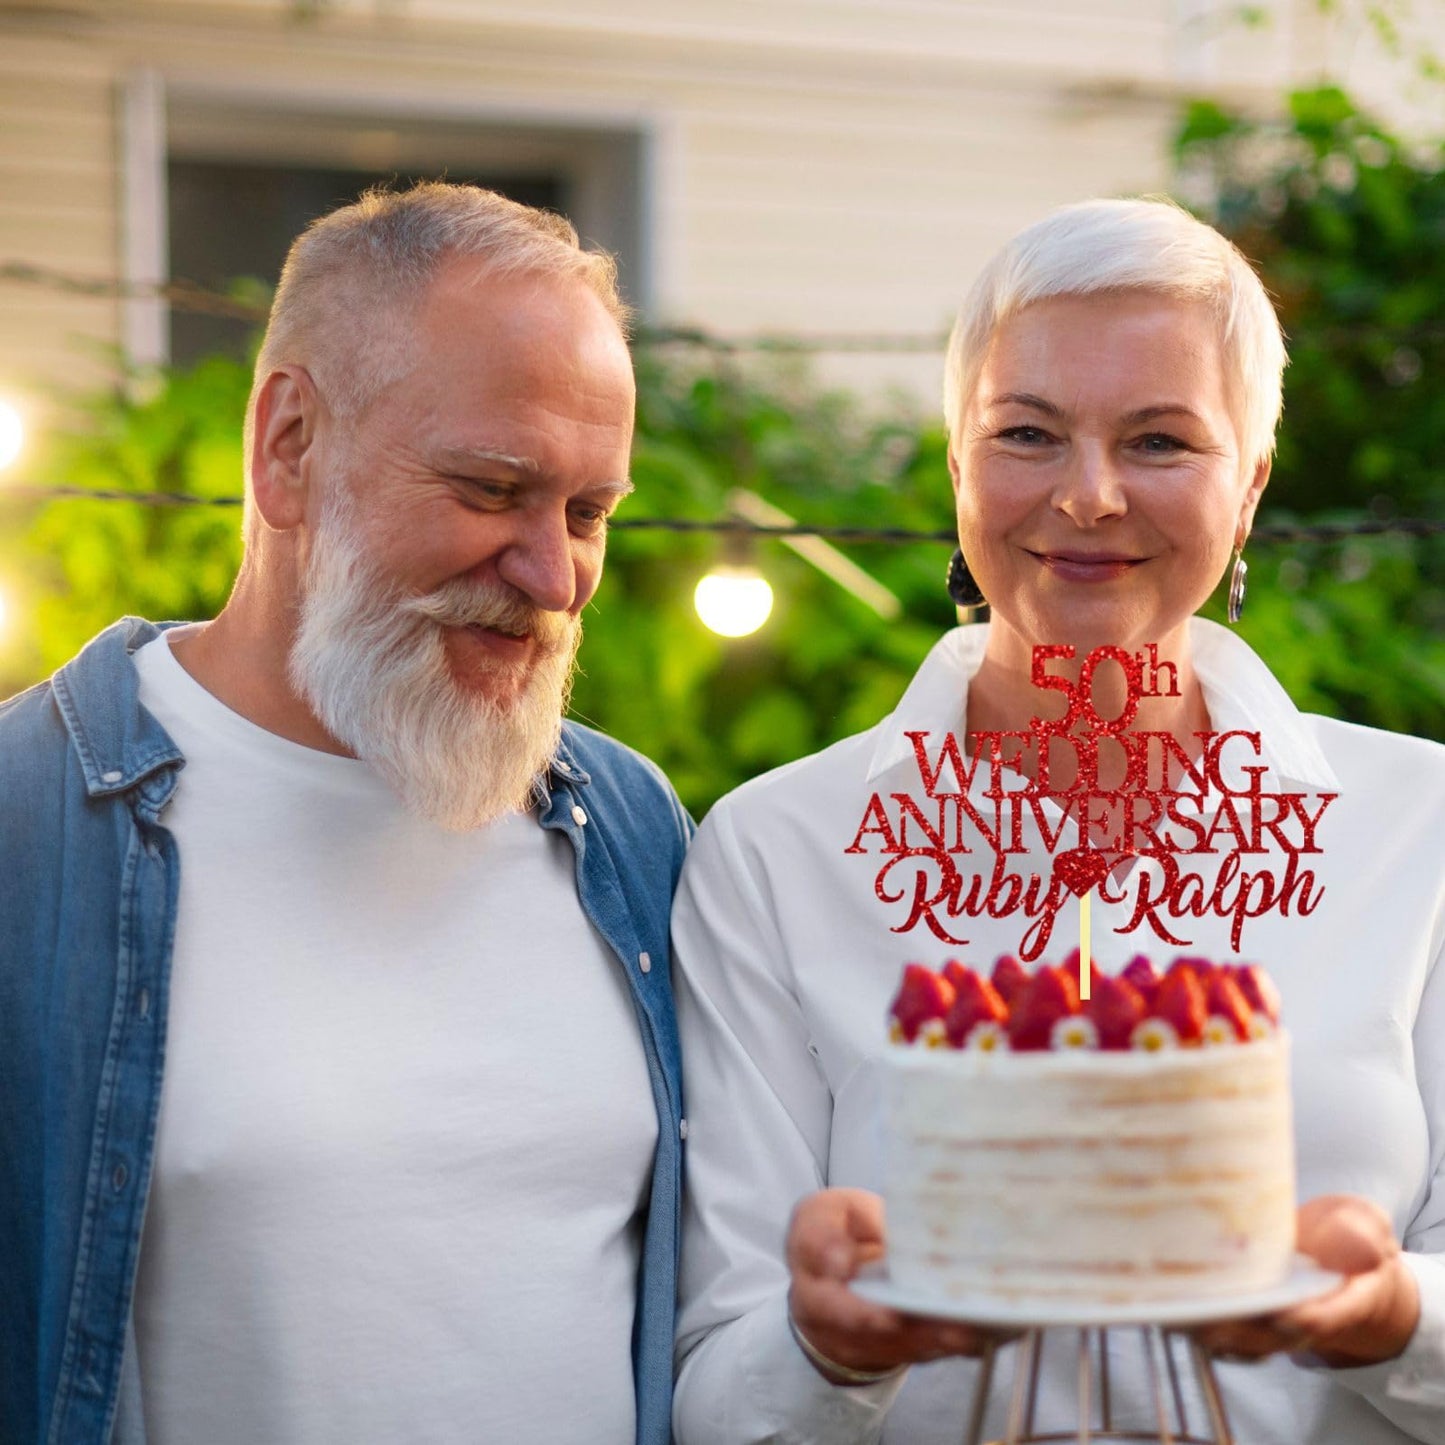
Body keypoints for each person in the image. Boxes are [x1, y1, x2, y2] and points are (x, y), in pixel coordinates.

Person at [671, 198, 1444, 1443]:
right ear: (956, 464)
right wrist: (825, 1343)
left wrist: (1392, 1314)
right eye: (1025, 433)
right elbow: (718, 1393)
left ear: (1248, 484)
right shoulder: (774, 851)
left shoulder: (1418, 828)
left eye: (1158, 440)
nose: (1087, 496)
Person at [0, 183, 691, 1445]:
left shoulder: (633, 830)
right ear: (289, 445)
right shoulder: (25, 825)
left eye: (589, 511)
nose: (555, 576)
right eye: (491, 487)